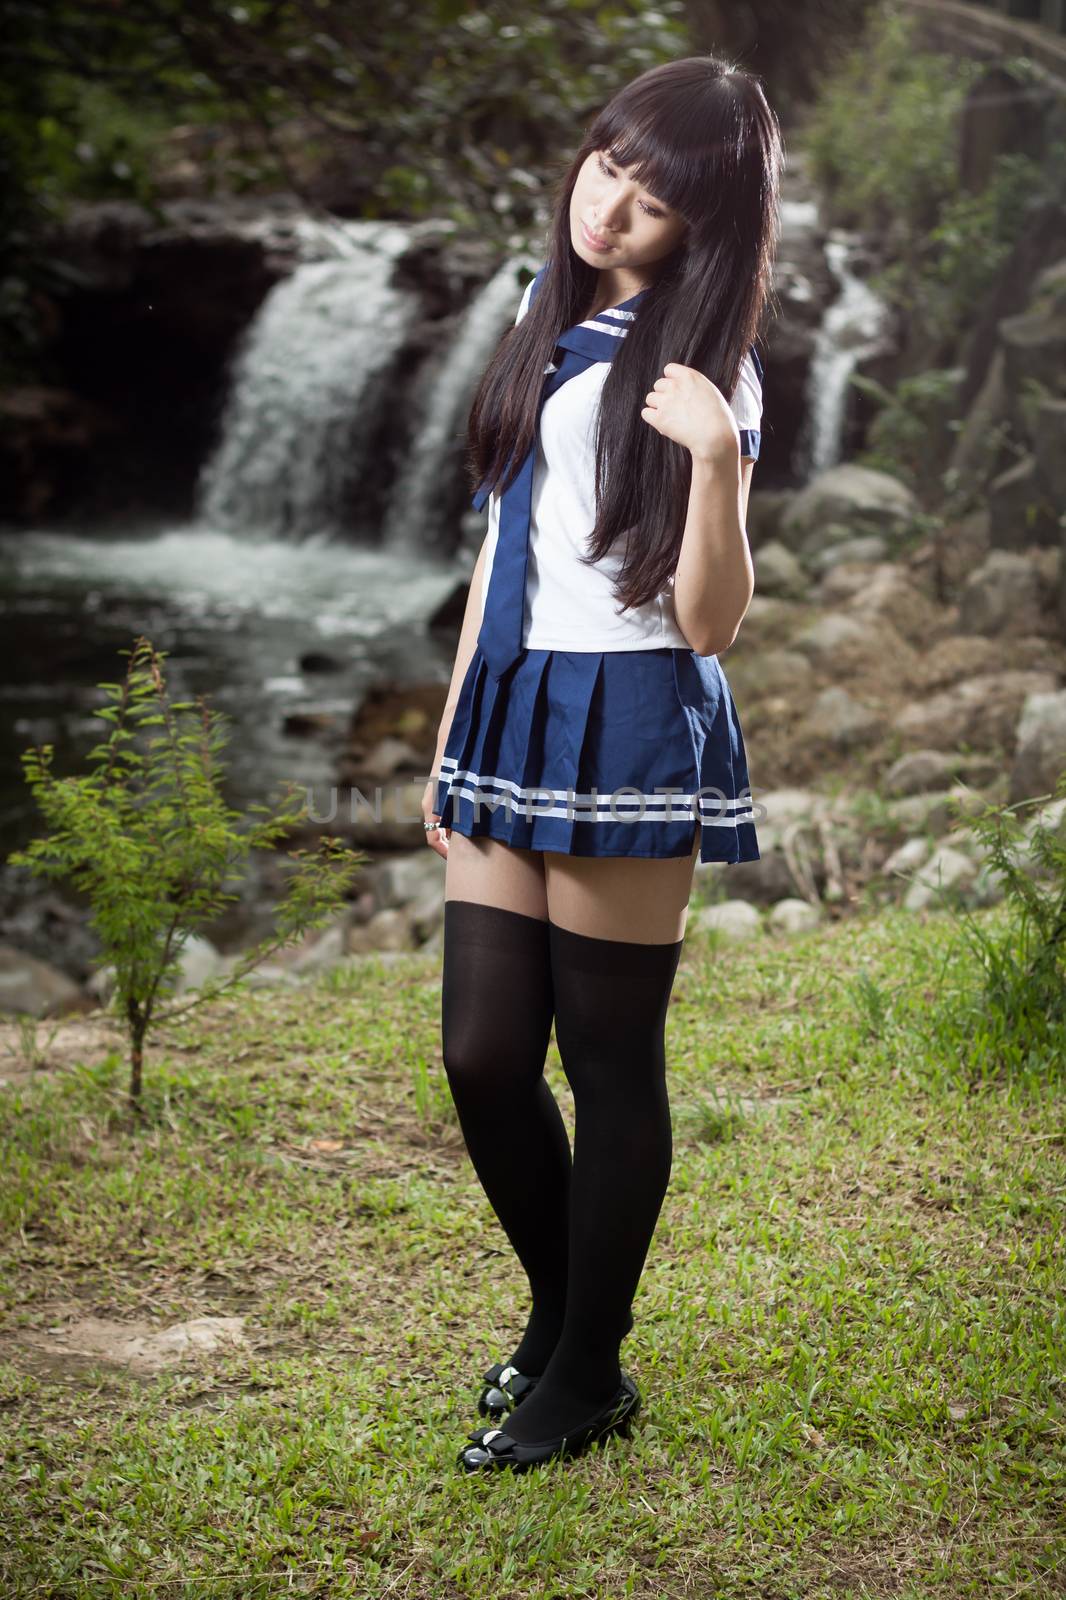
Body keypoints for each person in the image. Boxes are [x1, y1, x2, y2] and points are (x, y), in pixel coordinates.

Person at [420, 52, 782, 1474]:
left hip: (631, 714)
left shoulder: (710, 376)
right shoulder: (539, 311)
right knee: (482, 1055)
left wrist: (716, 466)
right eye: (607, 167)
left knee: (608, 1059)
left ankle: (585, 1369)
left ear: (705, 224)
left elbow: (707, 622)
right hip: (510, 702)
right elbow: (496, 543)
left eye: (652, 195)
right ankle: (562, 1312)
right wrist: (452, 738)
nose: (611, 207)